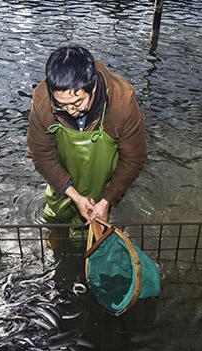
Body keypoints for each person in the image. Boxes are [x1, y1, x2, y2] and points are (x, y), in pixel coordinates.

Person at [27, 46, 147, 226]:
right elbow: (40, 154)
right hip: (63, 178)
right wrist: (74, 195)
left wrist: (106, 200)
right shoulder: (42, 99)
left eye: (77, 102)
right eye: (61, 105)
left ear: (93, 87)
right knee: (55, 221)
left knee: (97, 227)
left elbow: (133, 159)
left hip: (102, 182)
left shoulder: (123, 101)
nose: (70, 110)